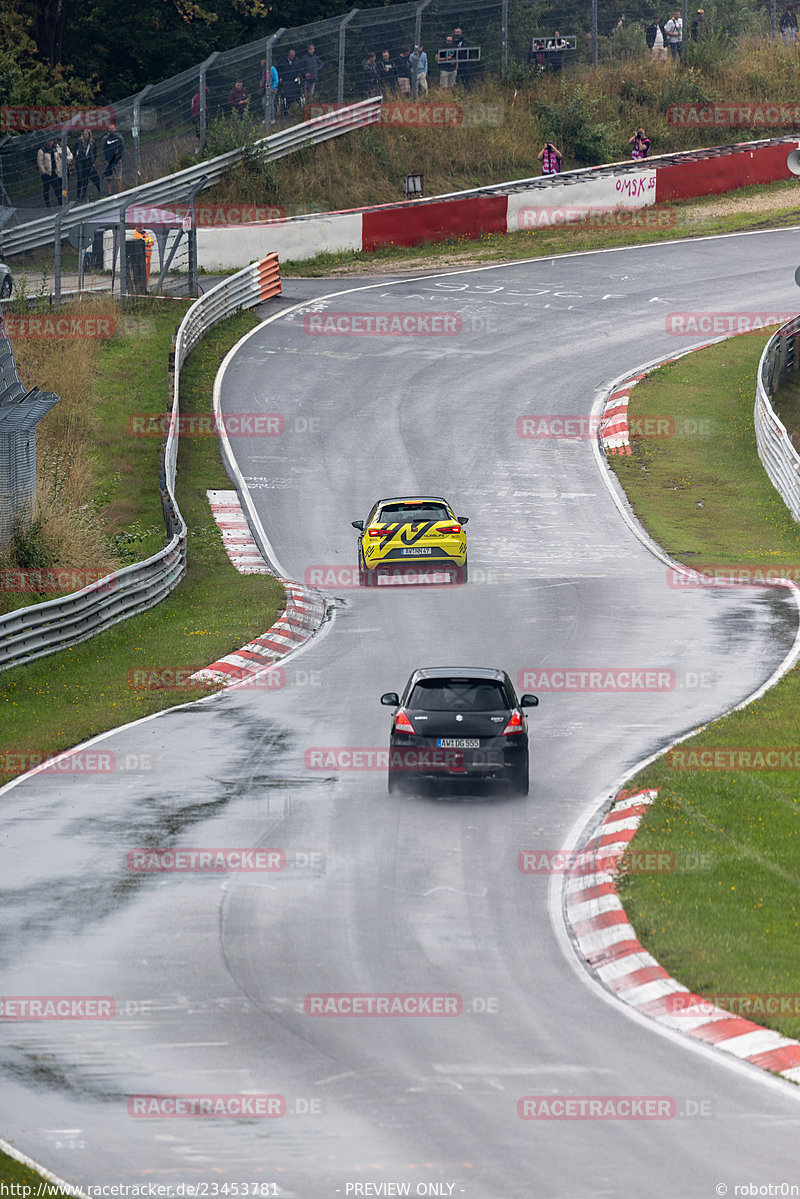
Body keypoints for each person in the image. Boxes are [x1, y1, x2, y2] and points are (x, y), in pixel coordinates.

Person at [74, 129, 101, 201]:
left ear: (89, 135)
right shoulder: (79, 141)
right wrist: (76, 157)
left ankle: (83, 193)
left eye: (86, 135)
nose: (85, 136)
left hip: (88, 161)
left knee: (86, 178)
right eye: (84, 134)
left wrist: (93, 162)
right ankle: (78, 194)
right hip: (80, 160)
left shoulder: (92, 142)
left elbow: (95, 153)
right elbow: (74, 149)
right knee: (80, 177)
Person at [100, 122, 124, 195]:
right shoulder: (105, 139)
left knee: (118, 176)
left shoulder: (119, 138)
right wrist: (104, 160)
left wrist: (122, 158)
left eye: (112, 128)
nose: (111, 130)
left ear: (115, 129)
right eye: (110, 129)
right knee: (109, 177)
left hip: (118, 160)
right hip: (108, 161)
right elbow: (102, 150)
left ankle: (120, 191)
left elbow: (123, 148)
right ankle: (109, 192)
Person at [278, 49, 301, 114]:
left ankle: (294, 109)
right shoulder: (282, 61)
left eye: (293, 56)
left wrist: (298, 77)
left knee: (295, 93)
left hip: (294, 82)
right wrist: (280, 77)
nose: (292, 57)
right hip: (285, 82)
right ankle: (286, 108)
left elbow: (299, 71)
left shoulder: (296, 62)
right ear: (288, 55)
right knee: (286, 95)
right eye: (291, 56)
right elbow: (279, 70)